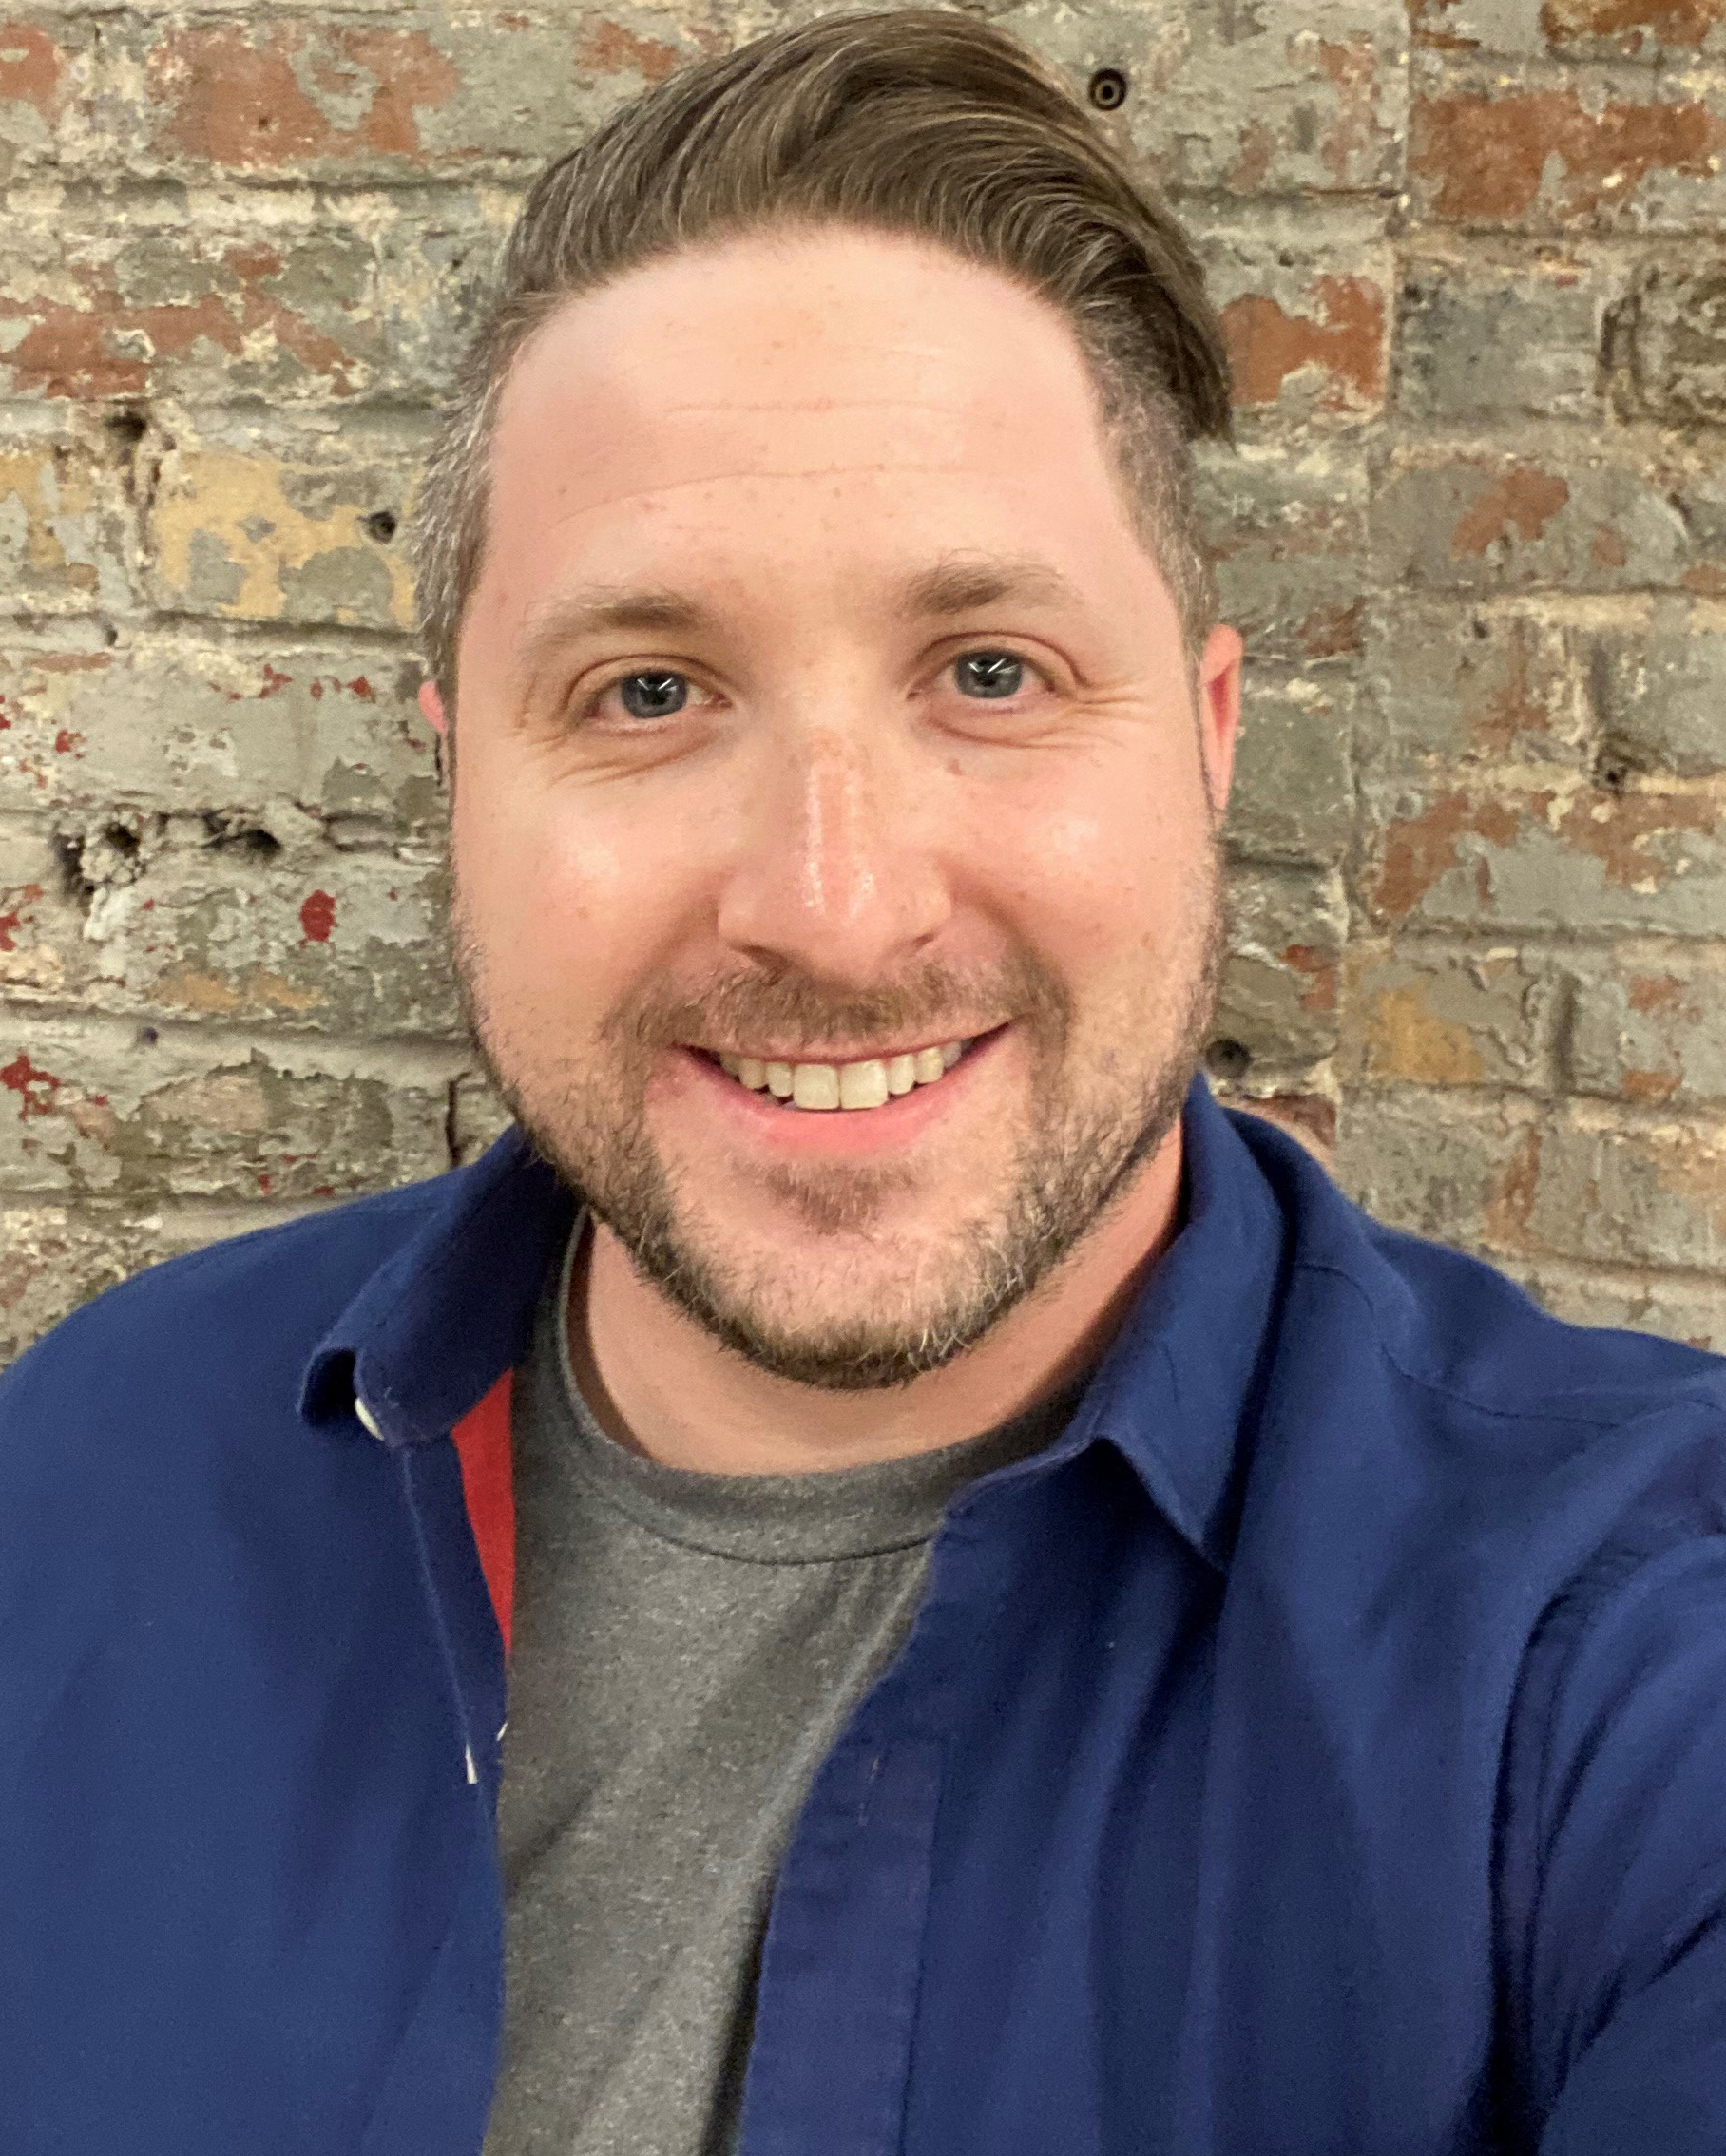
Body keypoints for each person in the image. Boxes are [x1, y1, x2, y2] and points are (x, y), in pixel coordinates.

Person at [3, 11, 1724, 2153]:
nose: (830, 909)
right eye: (647, 689)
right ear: (454, 782)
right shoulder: (84, 1469)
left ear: (1205, 737)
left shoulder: (1616, 1659)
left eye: (988, 673)